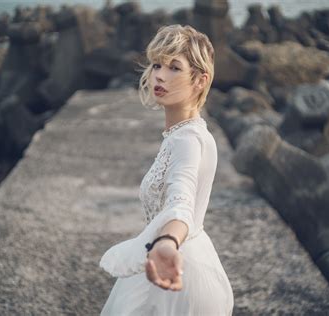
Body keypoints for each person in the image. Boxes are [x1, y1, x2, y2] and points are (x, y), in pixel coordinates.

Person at [99, 24, 234, 315]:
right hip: (175, 258)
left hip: (176, 267)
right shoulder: (190, 133)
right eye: (157, 64)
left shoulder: (187, 140)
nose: (159, 74)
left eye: (174, 67)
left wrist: (167, 241)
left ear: (200, 80)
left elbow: (181, 201)